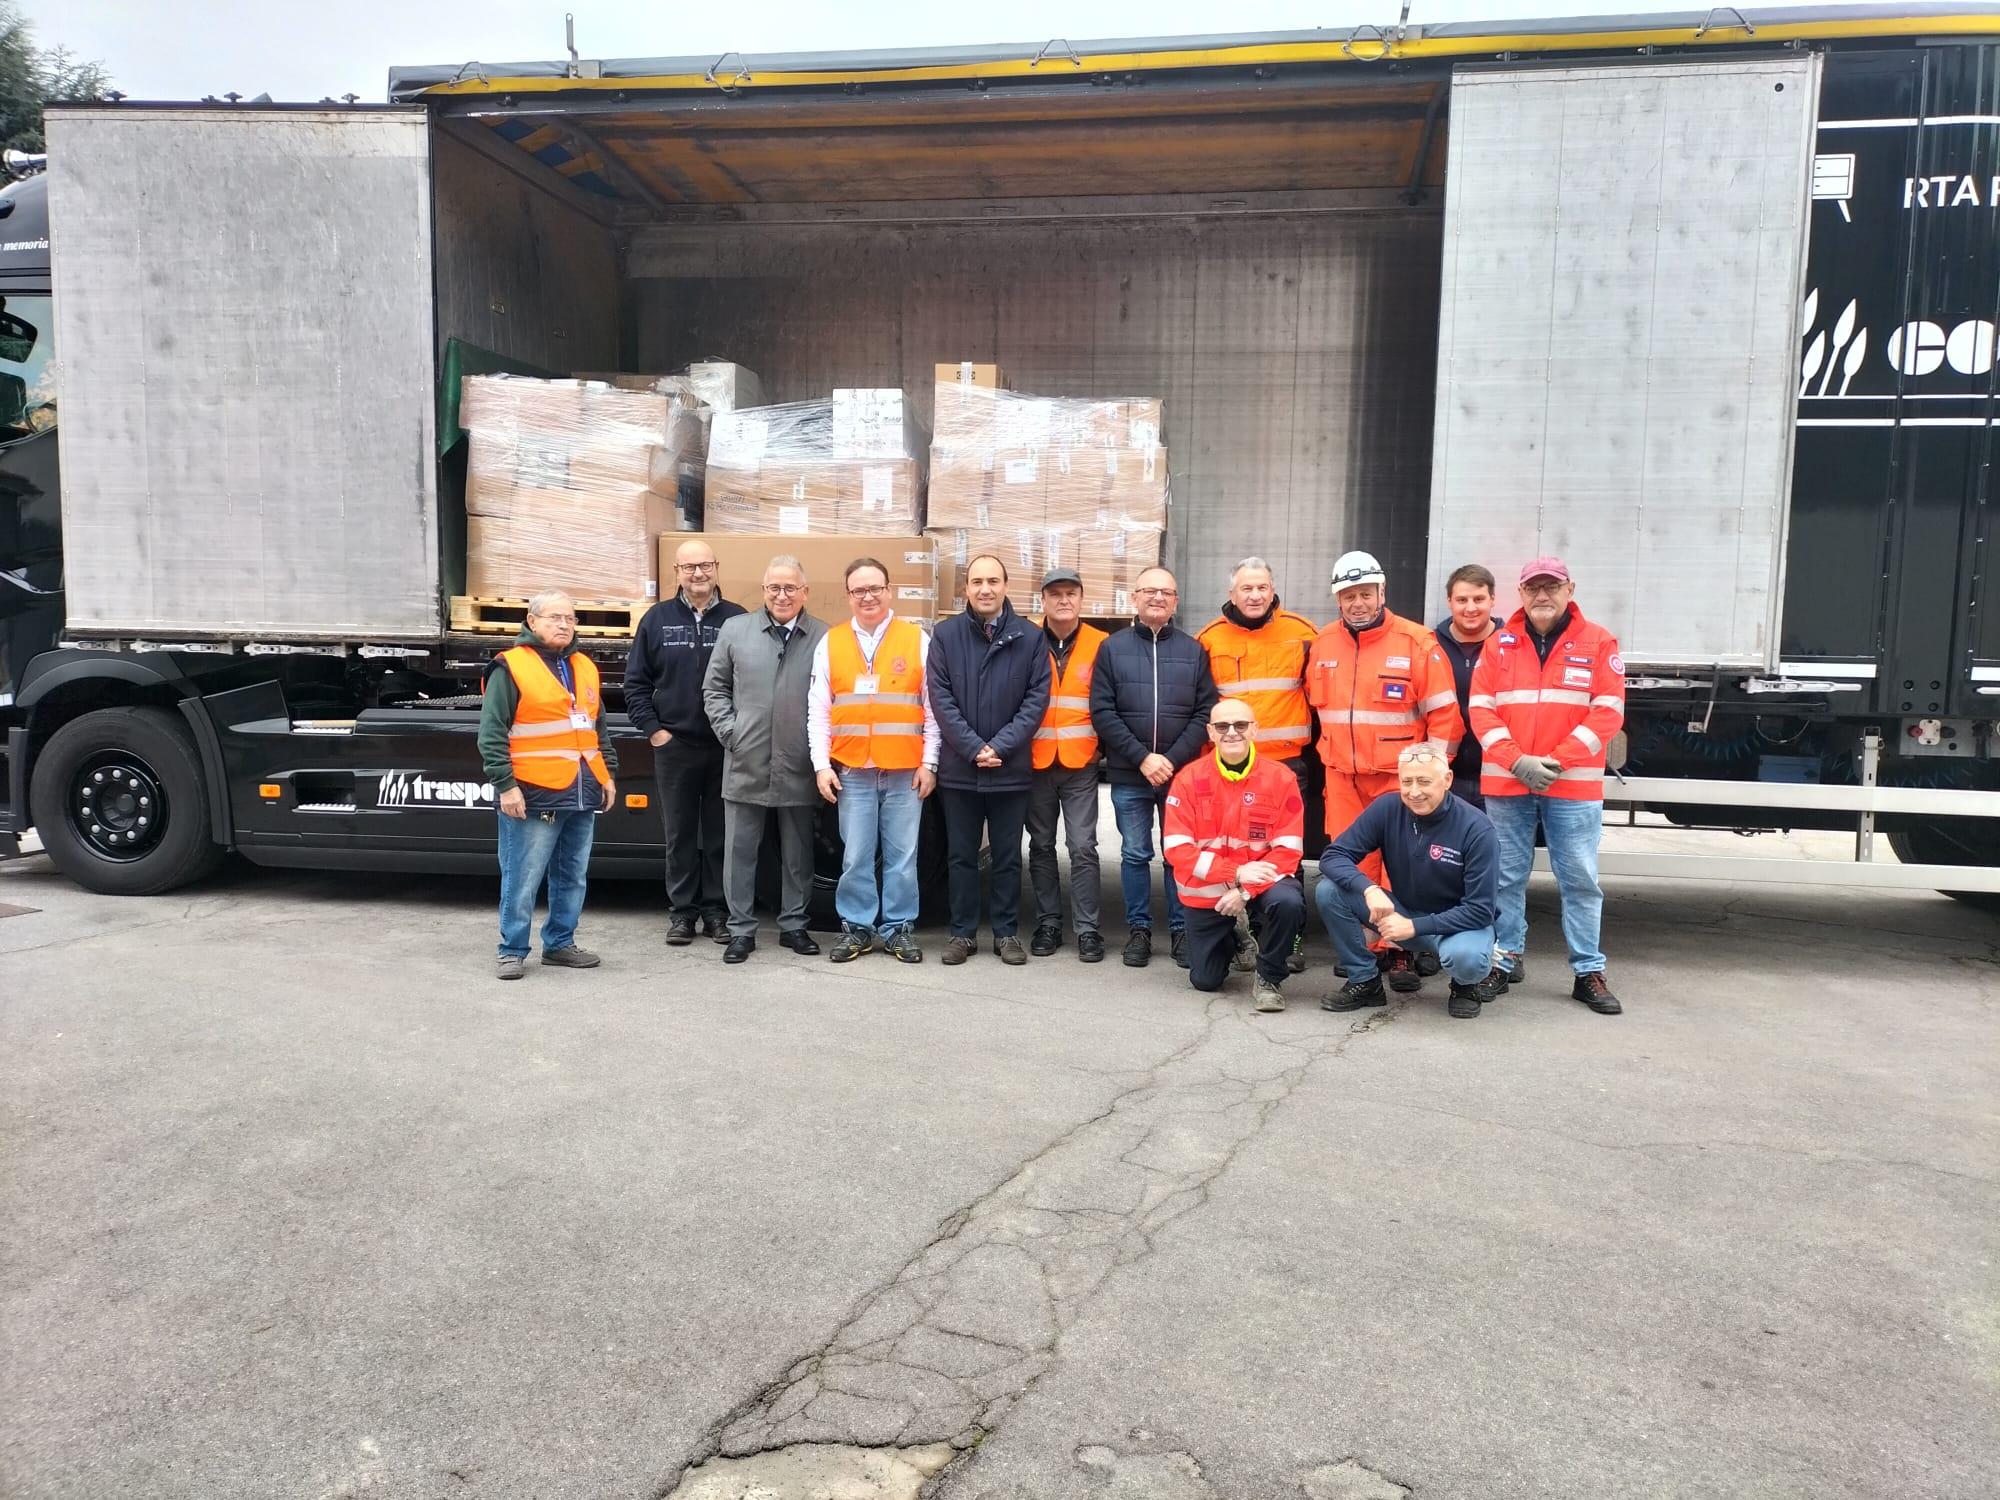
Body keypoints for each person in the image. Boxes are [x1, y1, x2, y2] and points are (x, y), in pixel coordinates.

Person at [1468, 557, 1626, 1015]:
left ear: (1569, 589)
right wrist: (1516, 761)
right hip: (1508, 783)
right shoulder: (1499, 645)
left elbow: (1609, 712)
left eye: (1551, 587)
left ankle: (1587, 972)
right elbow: (1481, 710)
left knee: (1578, 879)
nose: (1542, 595)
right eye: (1533, 587)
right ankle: (1505, 958)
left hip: (1571, 787)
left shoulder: (1598, 642)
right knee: (1505, 876)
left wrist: (1556, 762)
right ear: (1520, 594)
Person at [1305, 549, 1462, 993]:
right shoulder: (1323, 643)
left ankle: (1399, 951)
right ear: (1338, 599)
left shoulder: (1416, 643)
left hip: (1398, 781)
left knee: (1399, 870)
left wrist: (1430, 781)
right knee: (1351, 864)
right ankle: (1364, 949)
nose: (1358, 603)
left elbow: (1445, 718)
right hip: (1341, 778)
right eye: (1349, 595)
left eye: (1366, 593)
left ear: (1382, 592)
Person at [478, 590, 618, 980]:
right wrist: (506, 786)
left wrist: (607, 776)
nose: (563, 625)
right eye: (555, 617)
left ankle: (559, 944)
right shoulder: (510, 667)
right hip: (532, 792)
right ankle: (511, 950)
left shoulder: (585, 667)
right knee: (523, 876)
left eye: (570, 619)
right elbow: (491, 734)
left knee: (572, 875)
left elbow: (596, 728)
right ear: (532, 620)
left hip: (581, 789)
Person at [808, 556, 940, 964]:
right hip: (853, 772)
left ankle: (899, 928)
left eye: (875, 588)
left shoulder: (916, 640)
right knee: (856, 856)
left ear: (889, 590)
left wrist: (930, 762)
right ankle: (857, 929)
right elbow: (818, 710)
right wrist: (821, 765)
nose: (867, 596)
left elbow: (933, 707)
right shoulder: (831, 642)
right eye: (858, 590)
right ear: (848, 596)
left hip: (904, 770)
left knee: (903, 857)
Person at [1089, 565, 1218, 969]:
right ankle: (1139, 930)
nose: (1158, 598)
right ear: (1135, 597)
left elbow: (1204, 712)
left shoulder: (1193, 650)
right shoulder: (1113, 649)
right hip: (1131, 773)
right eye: (1149, 591)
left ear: (1176, 601)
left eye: (1166, 592)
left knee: (1180, 854)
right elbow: (1103, 711)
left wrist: (1171, 759)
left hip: (1181, 776)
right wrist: (1143, 758)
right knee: (1134, 853)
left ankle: (1181, 931)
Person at [702, 555, 828, 963]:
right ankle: (740, 930)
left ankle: (795, 926)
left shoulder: (824, 637)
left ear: (805, 592)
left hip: (799, 761)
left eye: (790, 588)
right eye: (774, 587)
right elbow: (714, 689)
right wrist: (731, 733)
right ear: (763, 591)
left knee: (798, 852)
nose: (782, 595)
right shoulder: (736, 631)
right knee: (739, 850)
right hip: (746, 759)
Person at [928, 553, 1052, 966]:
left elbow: (1036, 701)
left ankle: (1006, 933)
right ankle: (962, 934)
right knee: (960, 856)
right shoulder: (944, 636)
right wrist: (971, 747)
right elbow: (940, 698)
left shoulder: (1031, 637)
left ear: (1006, 586)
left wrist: (999, 747)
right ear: (966, 589)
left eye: (993, 581)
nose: (985, 589)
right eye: (977, 581)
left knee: (1006, 856)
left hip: (1010, 769)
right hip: (960, 770)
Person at [1196, 555, 1318, 973]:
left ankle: (1287, 938)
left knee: (1286, 855)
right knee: (1229, 852)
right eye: (1246, 588)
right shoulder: (1210, 639)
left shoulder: (1301, 633)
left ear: (1272, 590)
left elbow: (1320, 697)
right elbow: (1202, 706)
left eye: (1261, 587)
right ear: (1232, 594)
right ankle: (1237, 933)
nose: (1254, 595)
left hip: (1285, 766)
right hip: (1230, 767)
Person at [1317, 743, 1498, 1020]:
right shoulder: (1388, 808)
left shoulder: (1477, 828)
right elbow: (1333, 856)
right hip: (1402, 913)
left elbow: (1480, 910)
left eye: (1424, 781)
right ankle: (1364, 981)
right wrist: (1369, 888)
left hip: (1456, 925)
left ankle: (1465, 986)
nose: (1414, 792)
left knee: (1467, 958)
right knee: (1330, 891)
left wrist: (1413, 926)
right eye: (1407, 781)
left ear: (1447, 780)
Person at [623, 539, 746, 946]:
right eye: (689, 566)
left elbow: (751, 682)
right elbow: (636, 684)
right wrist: (655, 731)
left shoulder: (736, 619)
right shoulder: (656, 620)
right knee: (679, 834)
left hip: (723, 745)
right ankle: (681, 913)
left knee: (718, 833)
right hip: (674, 745)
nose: (698, 573)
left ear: (716, 567)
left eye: (705, 565)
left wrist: (739, 731)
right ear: (676, 572)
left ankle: (715, 911)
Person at [1161, 698, 1307, 1012]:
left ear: (1254, 729)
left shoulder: (1281, 779)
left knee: (1290, 902)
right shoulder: (1187, 780)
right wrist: (1235, 874)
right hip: (1208, 894)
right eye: (1223, 726)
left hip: (1260, 886)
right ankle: (1238, 936)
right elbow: (1176, 849)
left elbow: (1288, 851)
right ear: (1210, 732)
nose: (1232, 732)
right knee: (1205, 981)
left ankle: (1269, 978)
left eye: (1240, 725)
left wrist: (1245, 889)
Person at [1026, 568, 1108, 962]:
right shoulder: (1026, 640)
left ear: (1081, 599)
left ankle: (1088, 930)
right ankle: (1049, 923)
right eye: (1055, 593)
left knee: (1082, 847)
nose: (1063, 600)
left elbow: (1110, 701)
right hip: (1037, 762)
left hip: (1080, 764)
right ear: (1043, 600)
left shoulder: (1100, 644)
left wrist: (1101, 749)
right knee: (1040, 846)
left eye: (1070, 593)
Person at [1435, 564, 1499, 810]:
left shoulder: (1512, 645)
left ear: (1492, 600)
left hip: (1501, 778)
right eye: (1462, 599)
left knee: (1499, 848)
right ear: (1449, 601)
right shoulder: (1430, 646)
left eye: (1479, 599)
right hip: (1445, 777)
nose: (1470, 608)